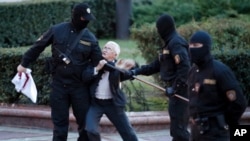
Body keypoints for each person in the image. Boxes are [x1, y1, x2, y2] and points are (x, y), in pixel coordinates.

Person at [16, 2, 102, 141]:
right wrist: (24, 63)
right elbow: (38, 47)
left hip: (79, 88)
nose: (85, 21)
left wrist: (122, 73)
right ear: (76, 16)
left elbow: (99, 64)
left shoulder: (90, 39)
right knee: (60, 128)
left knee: (85, 127)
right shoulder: (57, 30)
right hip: (59, 86)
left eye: (88, 19)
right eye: (83, 18)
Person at [128, 14, 190, 141]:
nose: (158, 31)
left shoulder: (176, 43)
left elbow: (185, 69)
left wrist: (175, 89)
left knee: (179, 129)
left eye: (158, 28)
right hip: (175, 91)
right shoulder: (168, 44)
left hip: (182, 91)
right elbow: (155, 66)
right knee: (176, 128)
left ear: (164, 28)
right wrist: (135, 71)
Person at [187, 30, 247, 141]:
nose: (191, 49)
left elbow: (239, 103)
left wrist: (224, 122)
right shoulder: (193, 72)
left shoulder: (220, 71)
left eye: (196, 45)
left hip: (216, 134)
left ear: (206, 47)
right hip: (196, 132)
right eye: (190, 45)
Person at [82, 41, 138, 141]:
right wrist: (97, 68)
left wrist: (129, 68)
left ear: (115, 54)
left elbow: (130, 73)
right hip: (96, 104)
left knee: (128, 133)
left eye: (109, 49)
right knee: (91, 130)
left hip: (113, 104)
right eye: (104, 47)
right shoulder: (95, 63)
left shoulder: (117, 67)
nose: (105, 50)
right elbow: (85, 77)